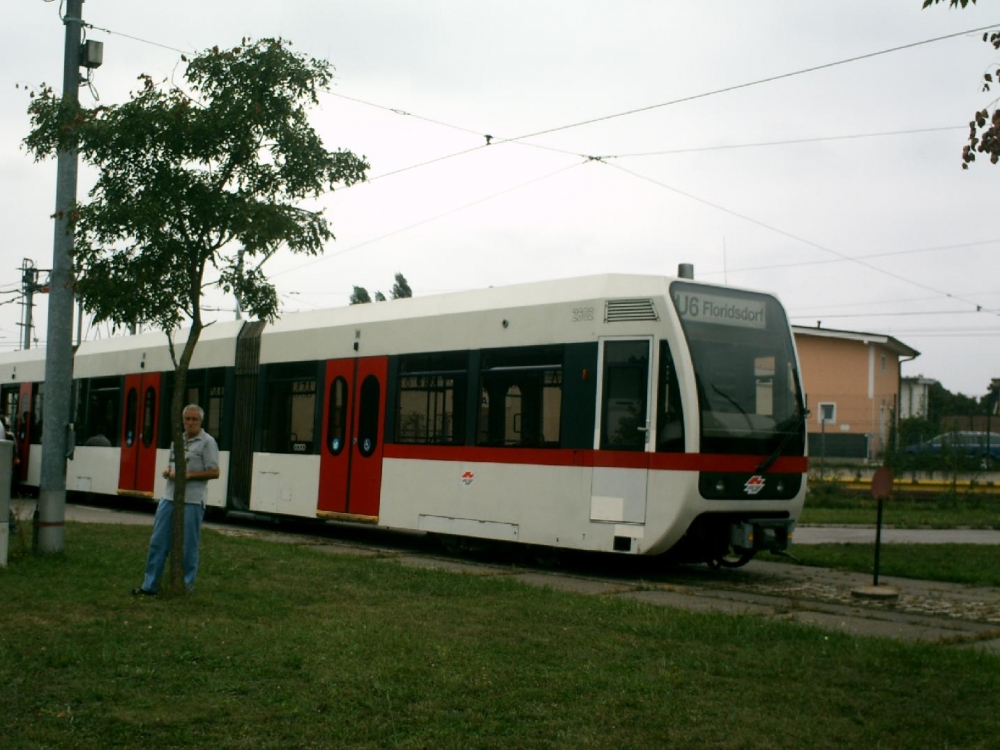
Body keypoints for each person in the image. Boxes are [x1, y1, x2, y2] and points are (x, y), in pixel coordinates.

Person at [132, 404, 220, 596]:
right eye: (187, 419)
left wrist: (189, 475)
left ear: (201, 421)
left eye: (194, 419)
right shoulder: (177, 441)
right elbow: (172, 465)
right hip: (169, 497)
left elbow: (215, 472)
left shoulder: (208, 442)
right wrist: (167, 472)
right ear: (182, 421)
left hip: (193, 501)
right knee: (158, 541)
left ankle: (185, 588)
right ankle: (149, 586)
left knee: (188, 546)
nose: (190, 423)